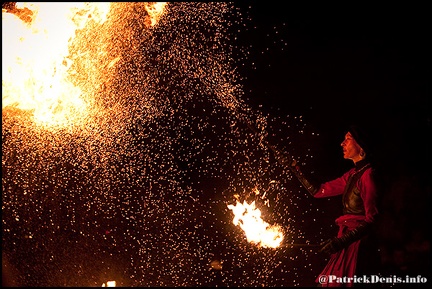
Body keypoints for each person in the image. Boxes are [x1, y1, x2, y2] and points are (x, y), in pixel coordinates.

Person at [277, 125, 381, 287]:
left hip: (358, 247)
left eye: (348, 139)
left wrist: (342, 242)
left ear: (361, 146)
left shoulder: (368, 176)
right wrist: (294, 167)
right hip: (346, 243)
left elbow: (372, 219)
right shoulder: (353, 174)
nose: (342, 143)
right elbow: (319, 190)